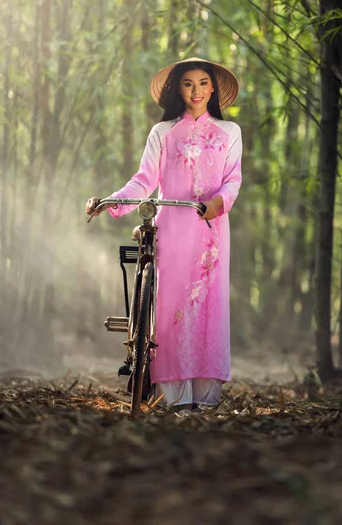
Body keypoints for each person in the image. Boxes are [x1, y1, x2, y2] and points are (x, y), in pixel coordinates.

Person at [86, 56, 243, 414]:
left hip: (210, 230)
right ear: (177, 89)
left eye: (203, 83)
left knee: (209, 307)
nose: (197, 91)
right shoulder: (163, 132)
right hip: (172, 227)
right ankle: (172, 395)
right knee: (171, 307)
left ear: (214, 88)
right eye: (188, 83)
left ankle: (205, 396)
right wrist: (114, 201)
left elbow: (233, 179)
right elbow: (144, 180)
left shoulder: (230, 132)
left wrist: (219, 203)